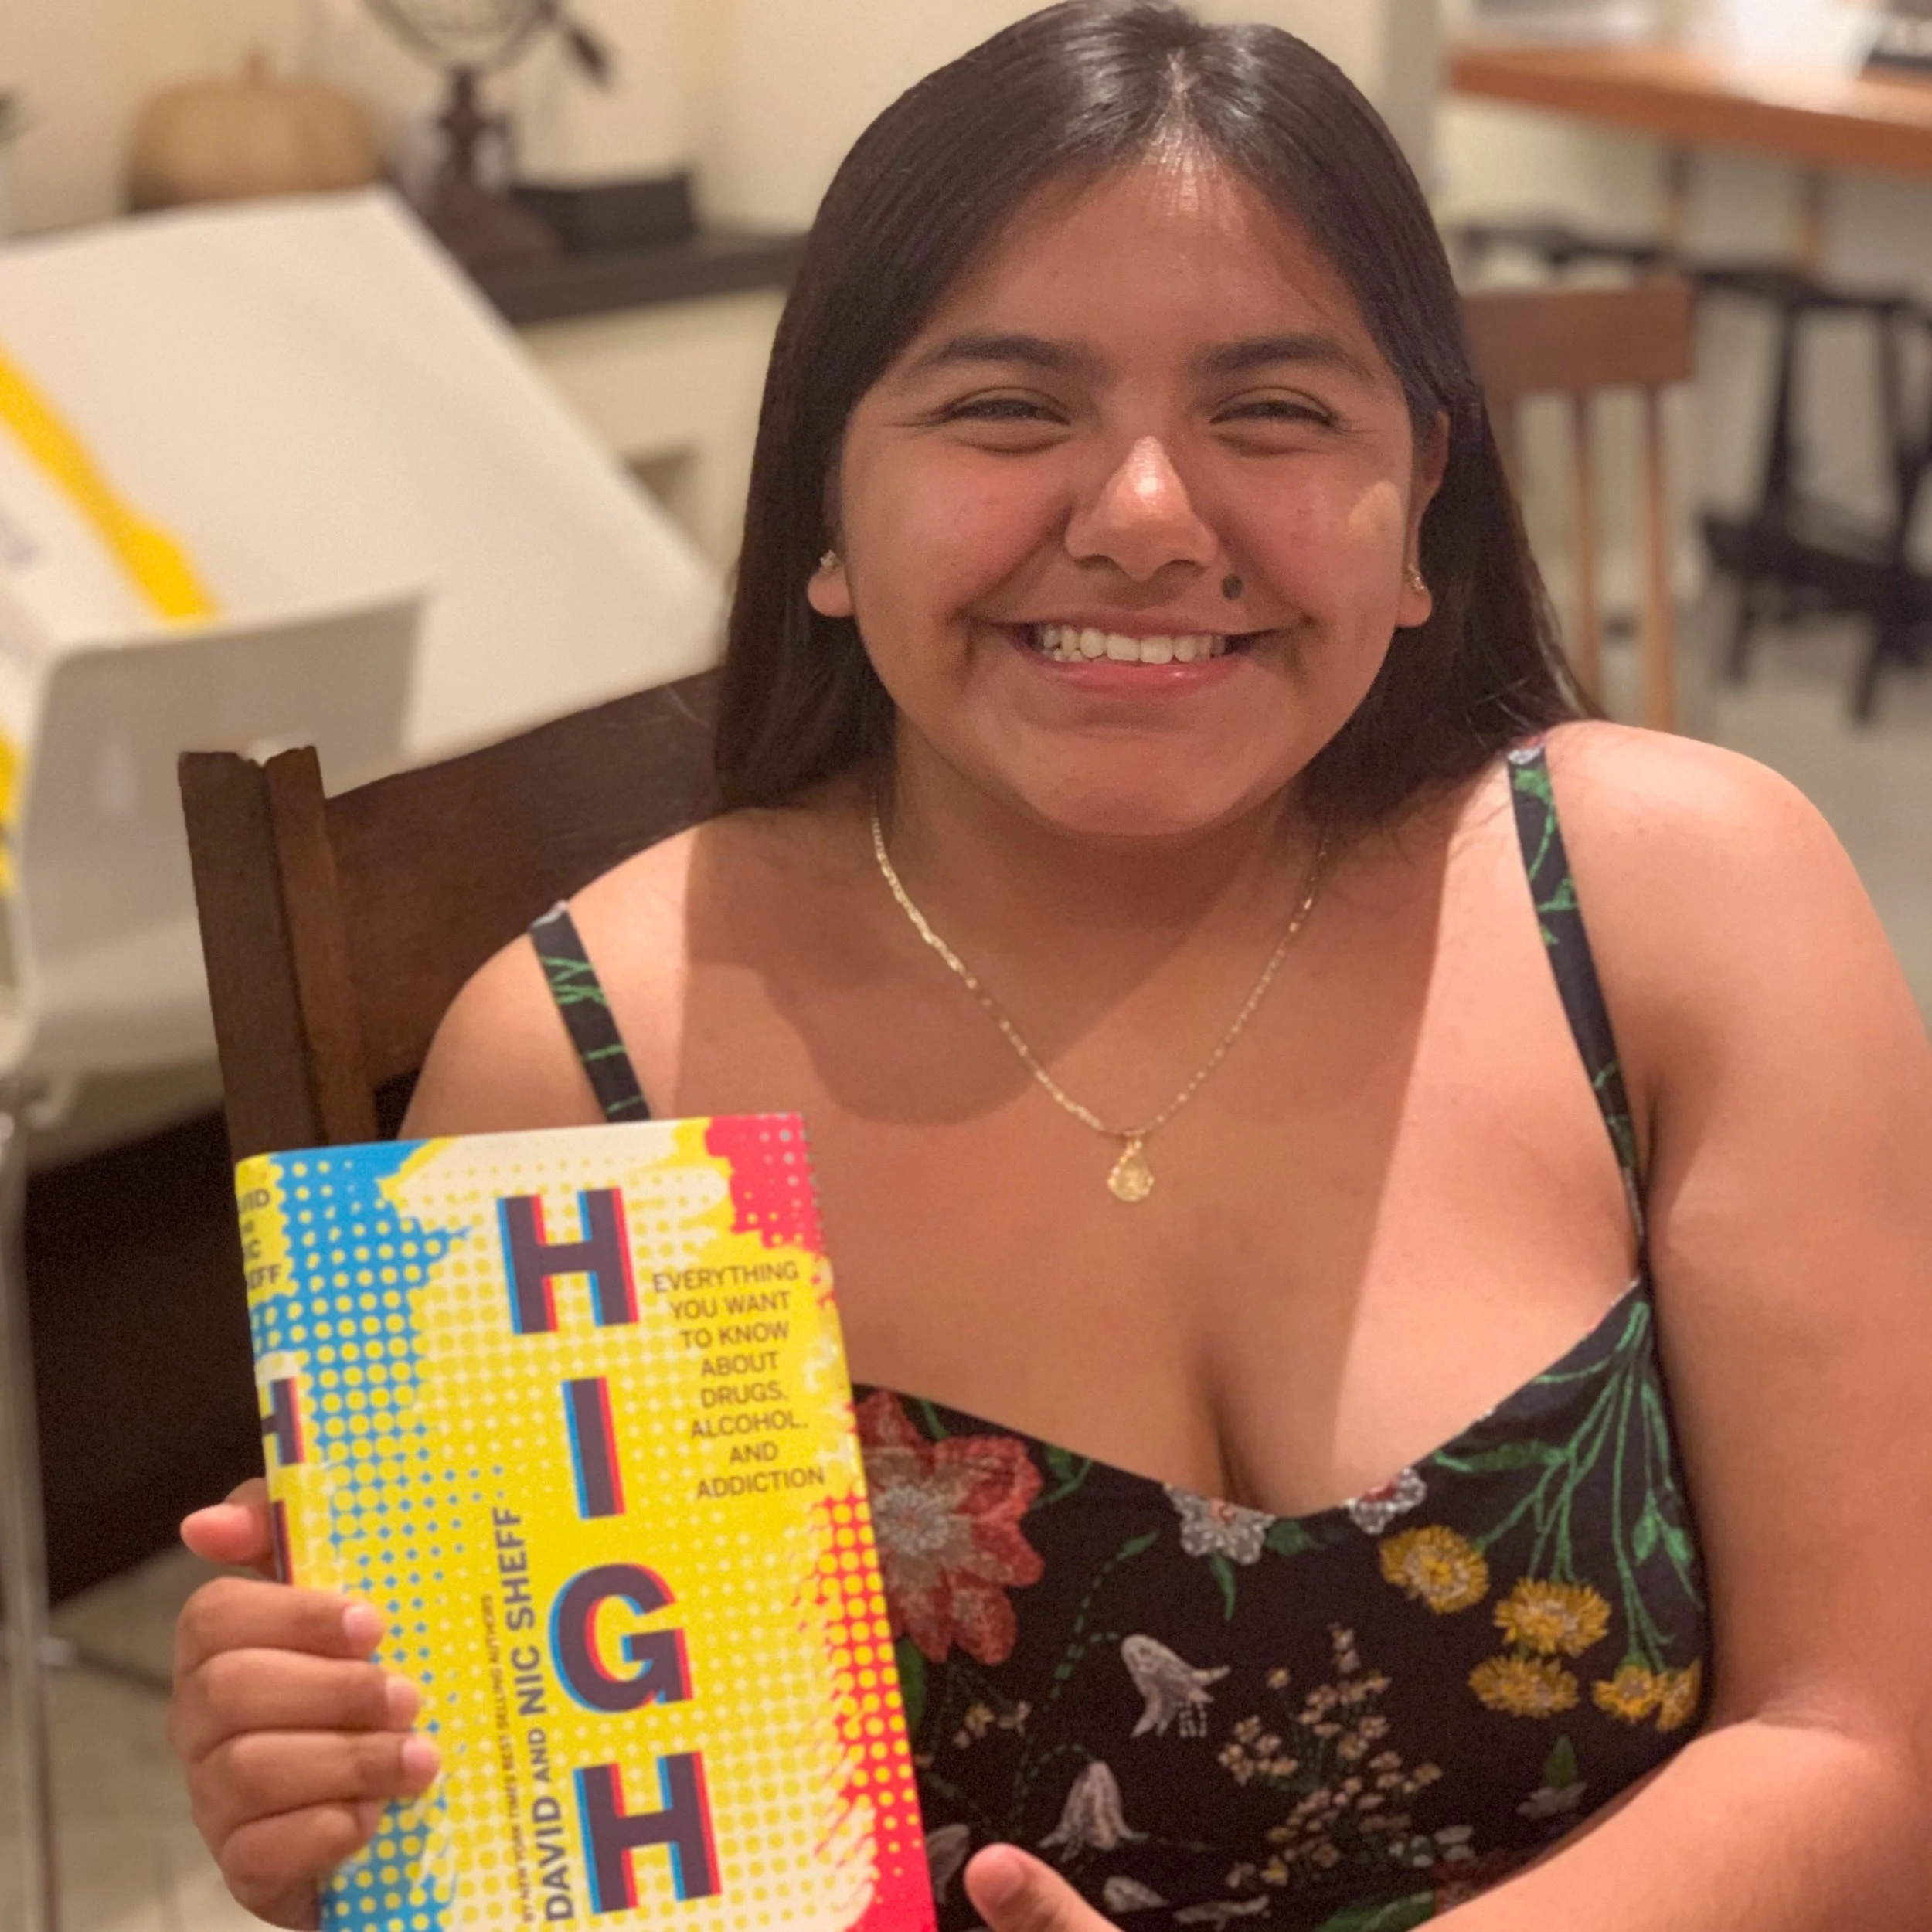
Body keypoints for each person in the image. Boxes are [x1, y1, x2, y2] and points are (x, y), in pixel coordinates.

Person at [167, 5, 1932, 1929]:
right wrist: (359, 1802)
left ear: (1420, 494)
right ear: (824, 509)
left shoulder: (1673, 903)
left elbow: (1861, 1744)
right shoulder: (600, 1065)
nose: (1146, 520)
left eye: (1270, 412)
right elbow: (574, 1873)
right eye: (1006, 409)